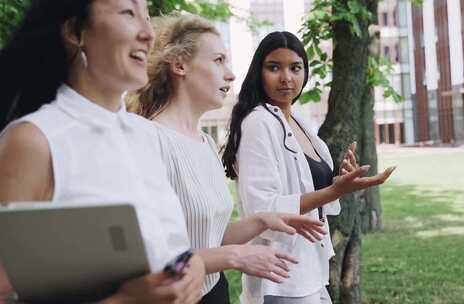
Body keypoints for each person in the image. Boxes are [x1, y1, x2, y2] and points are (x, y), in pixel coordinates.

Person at [0, 1, 205, 303]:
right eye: (128, 13)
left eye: (147, 16)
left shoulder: (146, 135)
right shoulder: (34, 141)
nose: (149, 33)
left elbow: (167, 252)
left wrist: (193, 265)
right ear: (75, 31)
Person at [129, 14, 327, 303]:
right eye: (219, 60)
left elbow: (212, 237)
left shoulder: (206, 143)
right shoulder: (146, 138)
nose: (231, 74)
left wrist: (262, 220)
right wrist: (234, 257)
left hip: (214, 293)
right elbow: (146, 260)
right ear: (180, 65)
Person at [221, 31, 396, 304]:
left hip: (311, 272)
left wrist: (339, 181)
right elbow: (262, 209)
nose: (286, 78)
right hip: (282, 279)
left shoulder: (298, 121)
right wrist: (334, 191)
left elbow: (310, 191)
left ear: (305, 72)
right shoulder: (258, 122)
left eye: (295, 68)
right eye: (274, 67)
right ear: (259, 72)